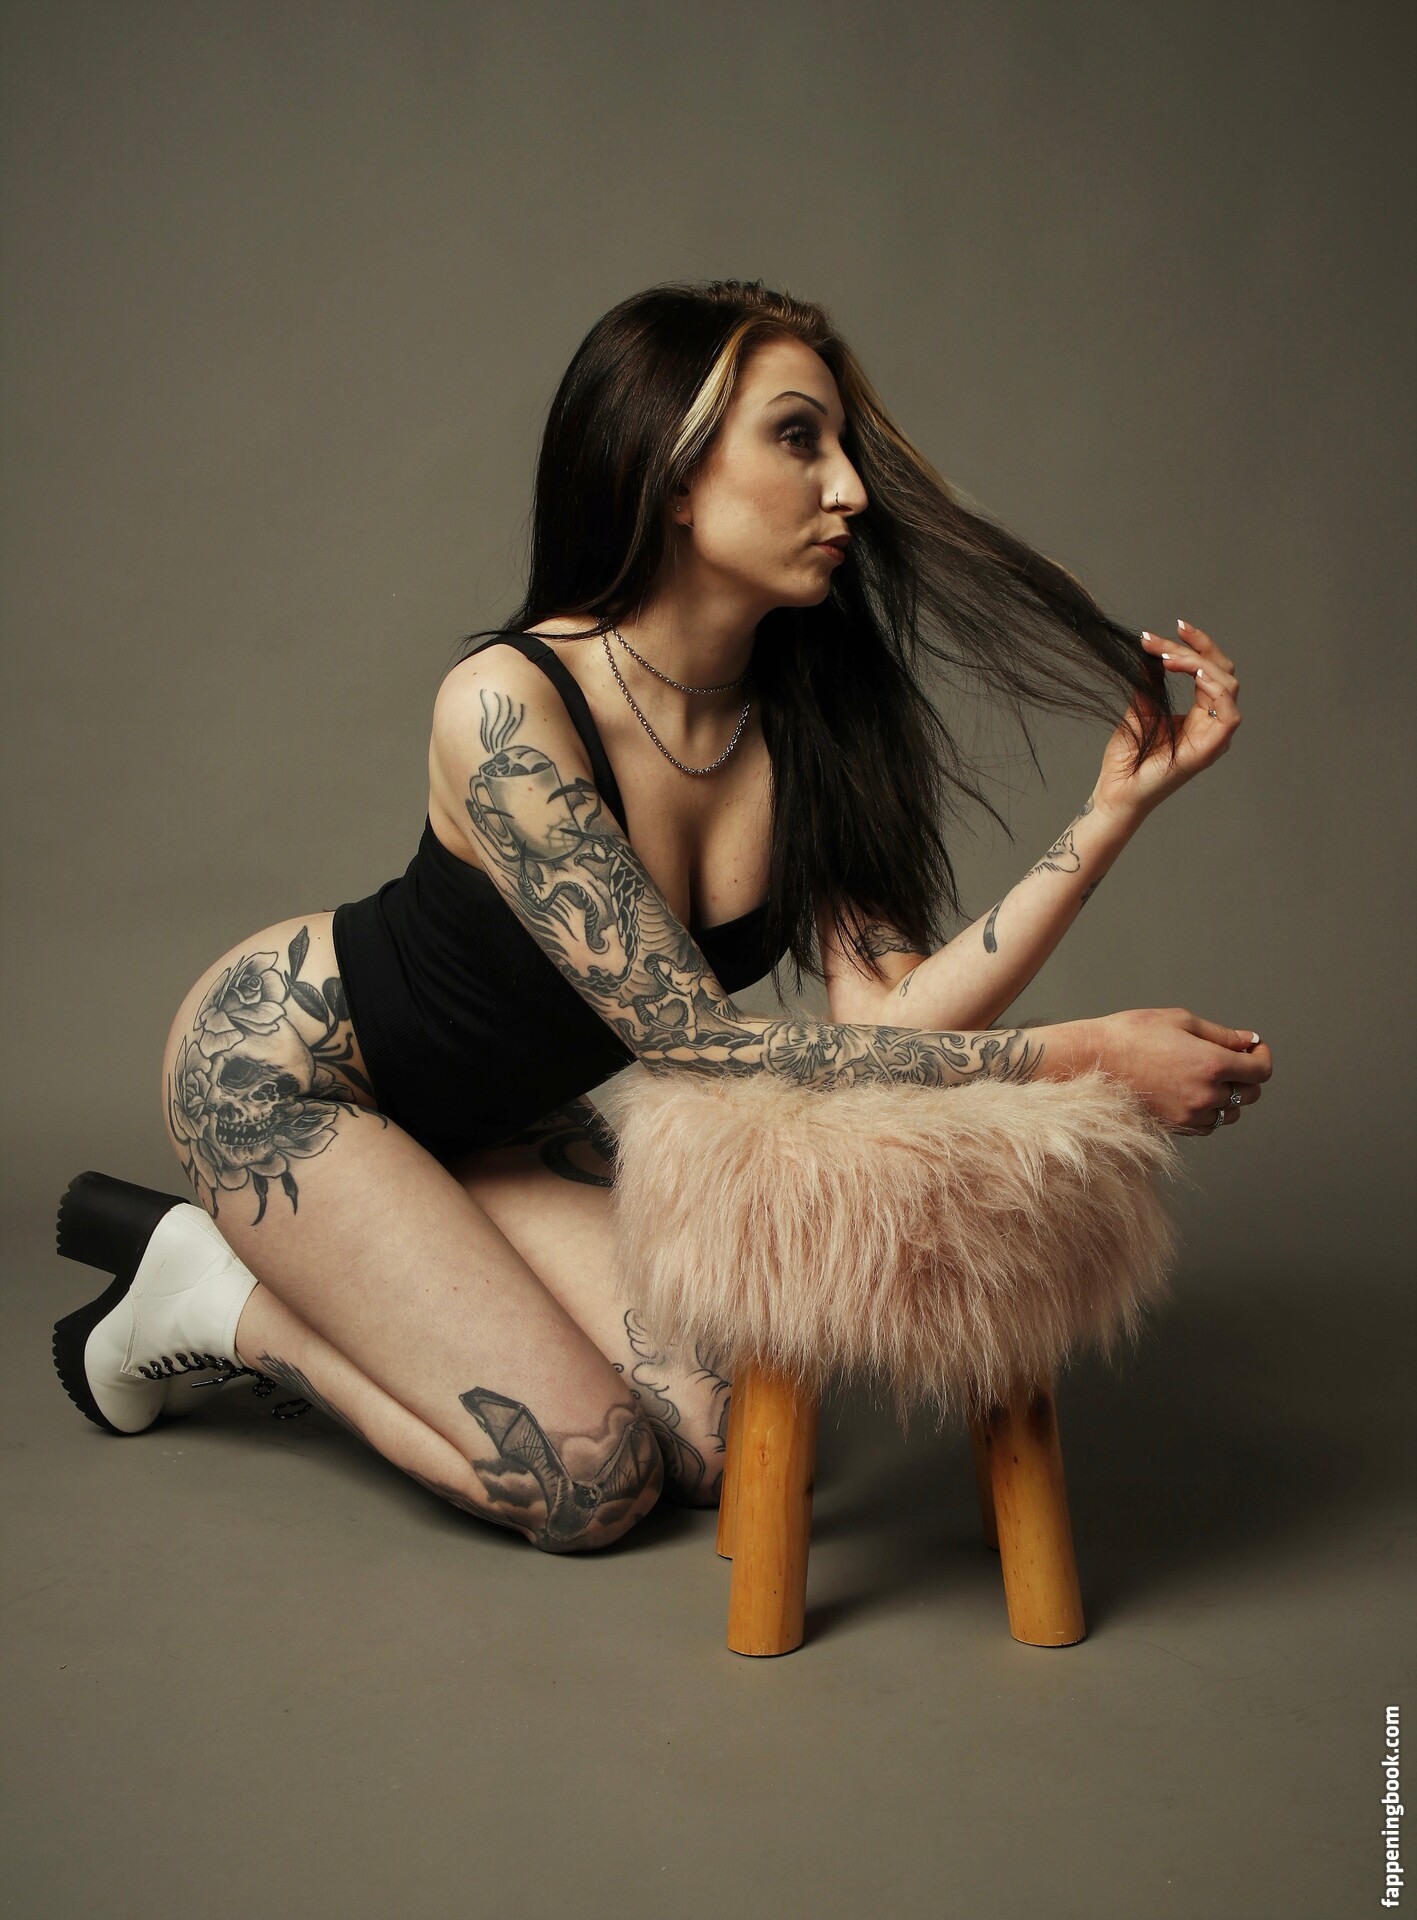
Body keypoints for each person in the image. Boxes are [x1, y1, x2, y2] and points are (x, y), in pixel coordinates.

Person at [50, 278, 1272, 1555]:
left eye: (843, 446)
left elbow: (892, 1022)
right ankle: (209, 1293)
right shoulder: (508, 705)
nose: (849, 488)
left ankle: (393, 1251)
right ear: (673, 472)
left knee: (721, 1449)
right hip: (293, 1082)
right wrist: (1090, 1055)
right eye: (797, 438)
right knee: (590, 1483)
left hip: (499, 1131)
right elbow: (707, 1048)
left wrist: (1109, 814)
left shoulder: (810, 728)